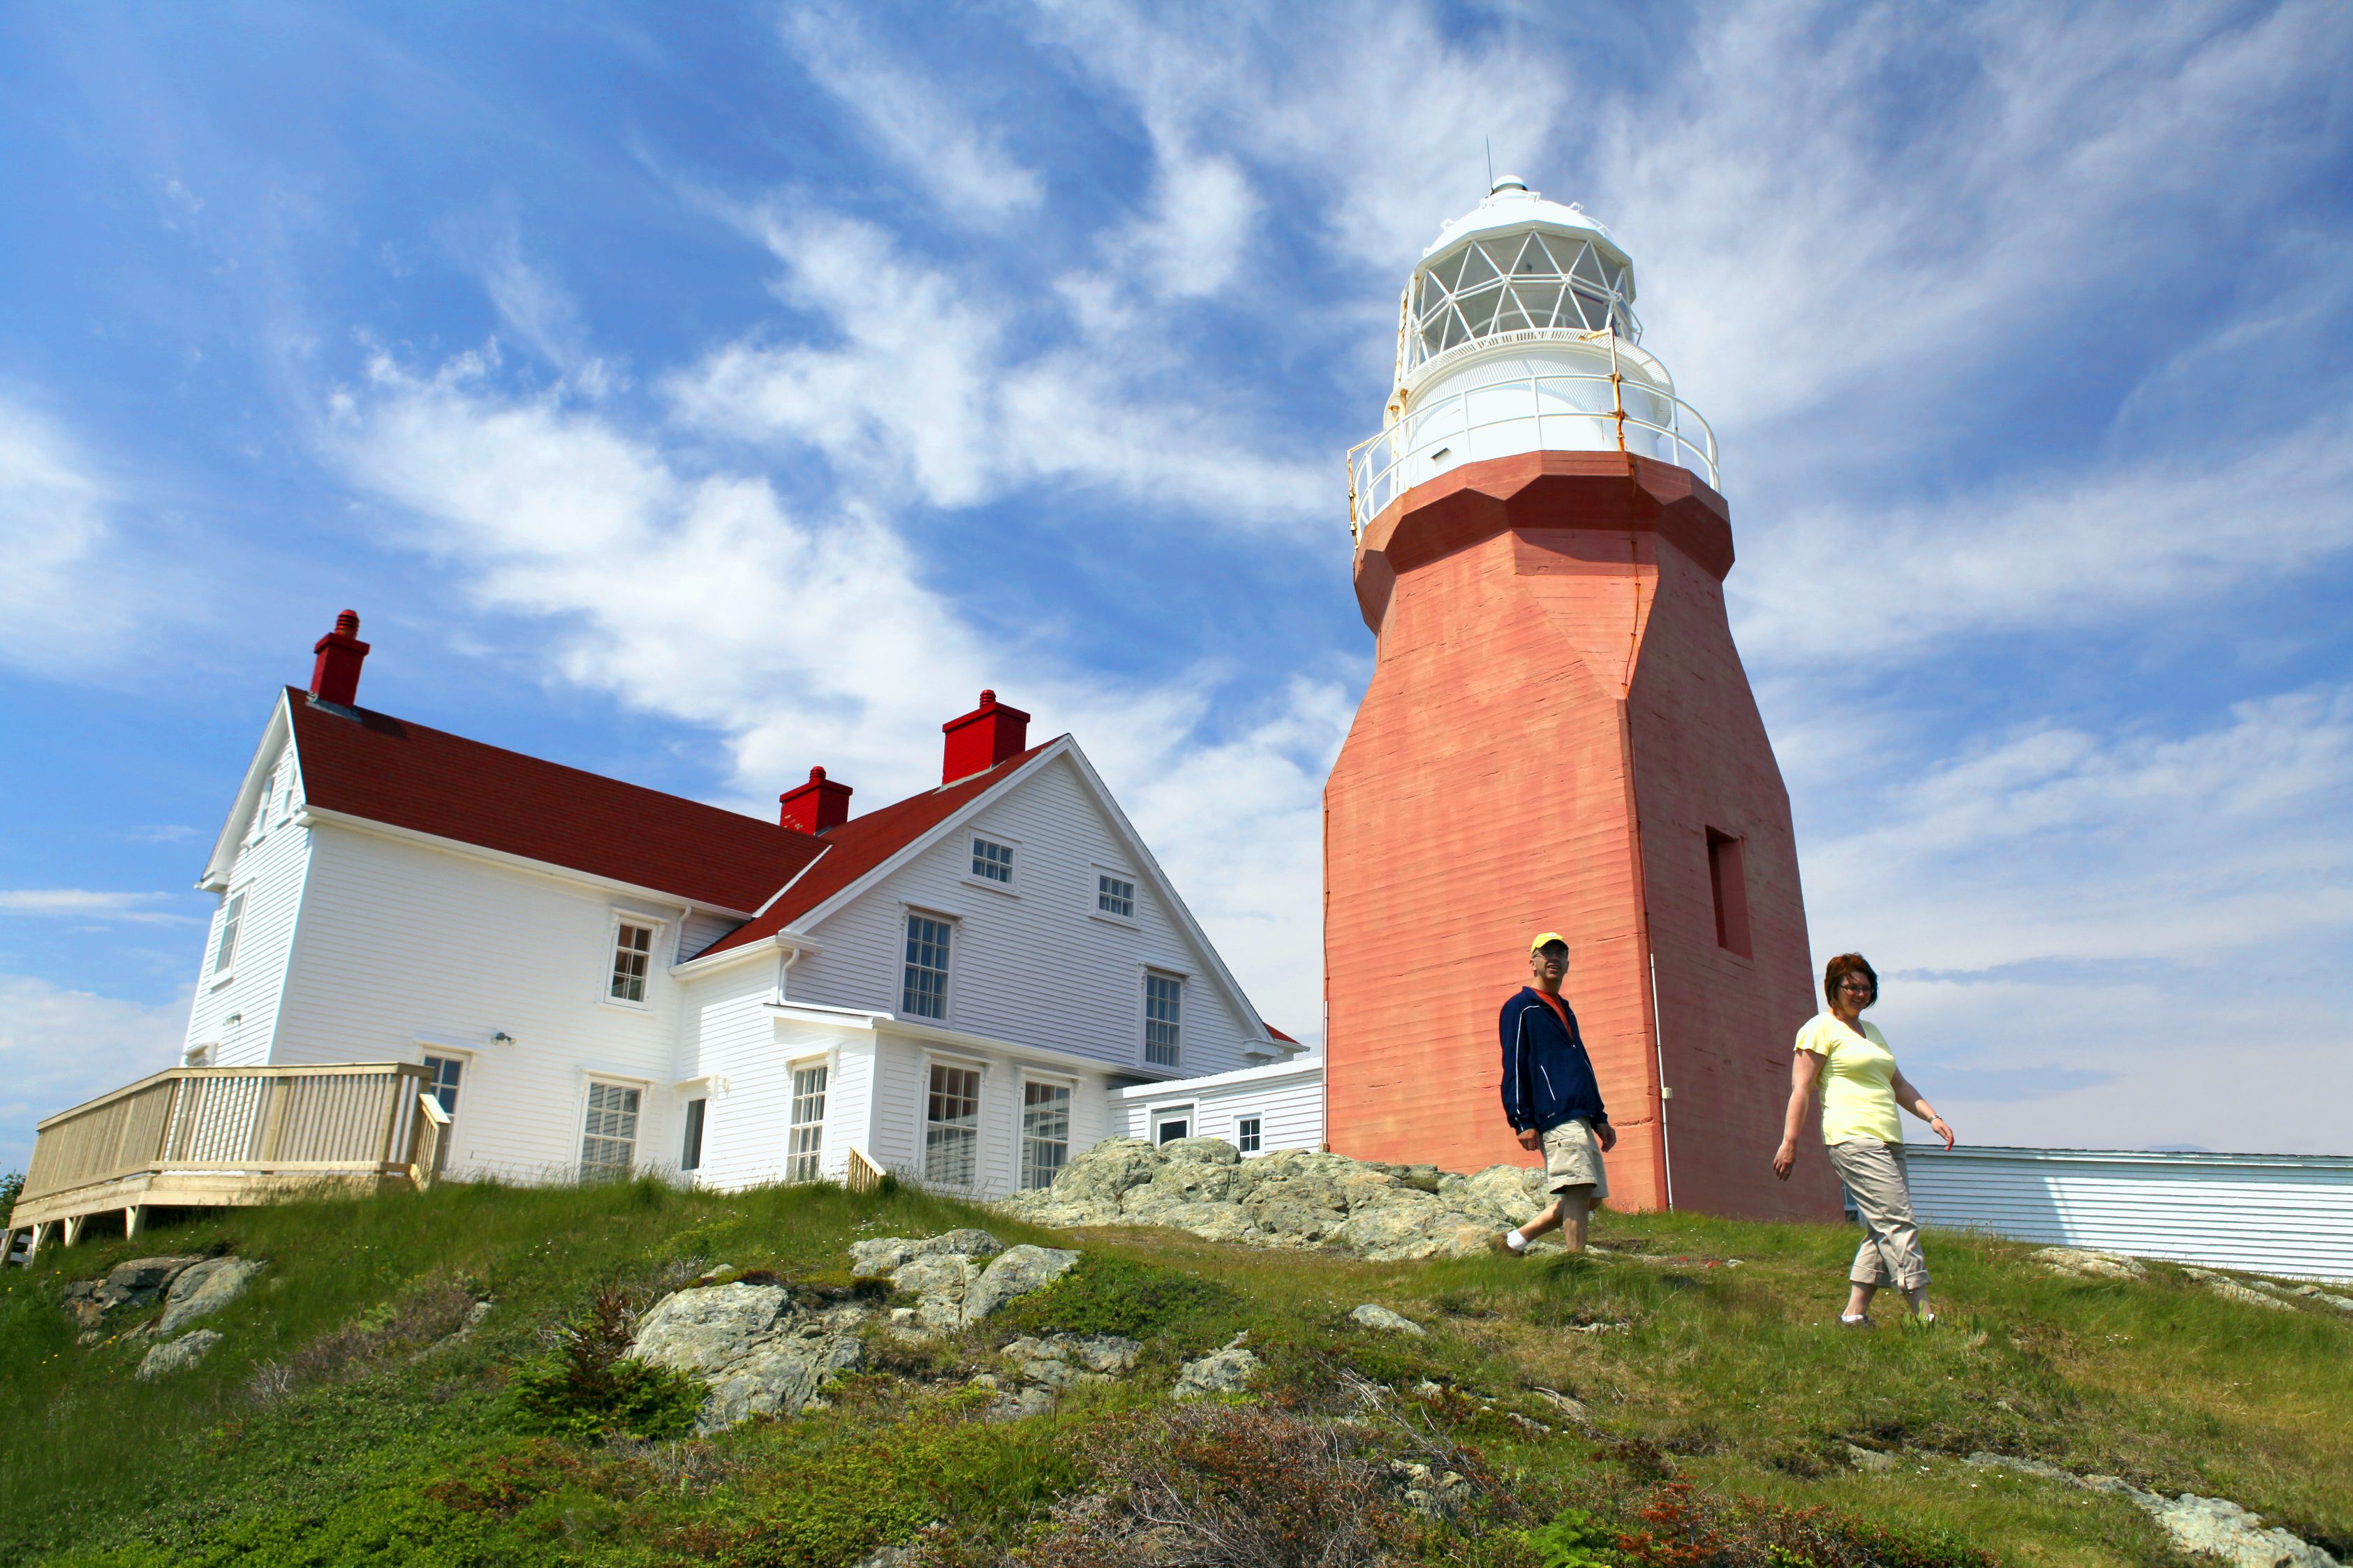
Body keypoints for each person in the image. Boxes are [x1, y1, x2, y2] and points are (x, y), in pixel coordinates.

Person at [1773, 952, 1954, 1326]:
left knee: (1881, 1224)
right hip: (1852, 1137)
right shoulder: (1818, 1029)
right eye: (1851, 986)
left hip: (1889, 1137)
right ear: (1833, 988)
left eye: (1866, 988)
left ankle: (1854, 1316)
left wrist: (1932, 1117)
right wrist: (1790, 1142)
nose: (1859, 993)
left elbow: (1898, 1084)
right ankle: (1923, 1315)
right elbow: (1801, 1090)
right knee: (1898, 1222)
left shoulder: (1873, 1033)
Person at [1493, 932, 1616, 1255]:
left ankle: (1515, 1241)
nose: (1554, 959)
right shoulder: (1521, 1008)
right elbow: (1515, 1065)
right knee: (1577, 1187)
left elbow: (1581, 1064)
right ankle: (1575, 1266)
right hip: (1554, 1114)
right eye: (1546, 953)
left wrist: (1598, 1117)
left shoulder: (1564, 1008)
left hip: (1579, 1115)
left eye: (1560, 954)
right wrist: (1522, 1120)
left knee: (1591, 1198)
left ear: (1567, 964)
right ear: (1532, 961)